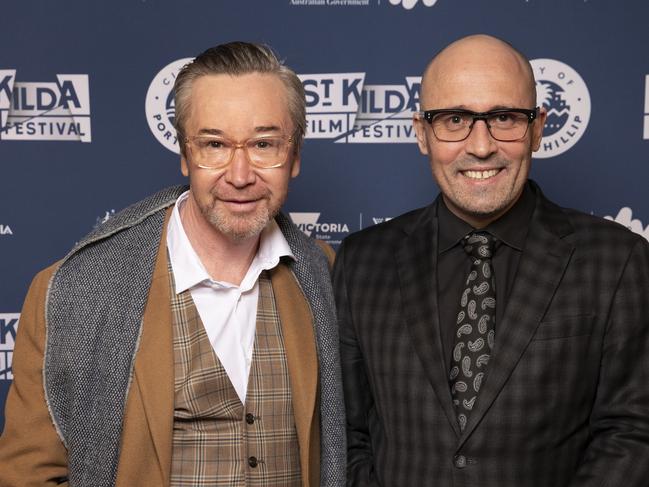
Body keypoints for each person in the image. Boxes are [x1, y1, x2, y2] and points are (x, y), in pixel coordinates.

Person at [0, 42, 345, 487]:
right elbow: (28, 474)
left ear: (294, 156)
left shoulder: (326, 276)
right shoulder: (73, 292)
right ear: (185, 155)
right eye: (214, 145)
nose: (240, 175)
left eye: (264, 144)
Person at [334, 34, 649, 486]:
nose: (480, 146)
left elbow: (633, 432)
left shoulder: (617, 261)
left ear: (538, 127)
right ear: (421, 133)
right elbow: (347, 433)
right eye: (455, 119)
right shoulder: (363, 262)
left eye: (504, 117)